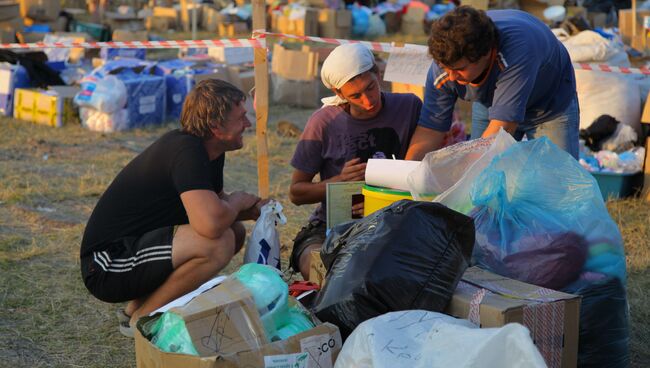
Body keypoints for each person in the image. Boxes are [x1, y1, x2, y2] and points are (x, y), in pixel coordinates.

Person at [80, 79, 266, 337]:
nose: (248, 124)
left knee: (233, 231)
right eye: (241, 118)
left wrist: (254, 209)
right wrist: (237, 202)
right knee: (218, 242)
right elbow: (210, 223)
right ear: (215, 125)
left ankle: (134, 311)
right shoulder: (186, 151)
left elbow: (216, 207)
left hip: (132, 251)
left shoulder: (207, 150)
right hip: (105, 265)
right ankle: (145, 321)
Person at [288, 44, 422, 280]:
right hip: (333, 227)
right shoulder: (323, 122)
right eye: (355, 96)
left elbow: (426, 167)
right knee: (322, 267)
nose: (368, 100)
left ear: (377, 73)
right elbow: (296, 193)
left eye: (370, 88)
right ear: (339, 93)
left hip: (395, 221)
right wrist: (338, 181)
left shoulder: (409, 107)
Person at [405, 6, 579, 161]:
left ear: (486, 54)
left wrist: (461, 172)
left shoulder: (516, 53)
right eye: (445, 68)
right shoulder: (446, 61)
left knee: (557, 181)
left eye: (459, 69)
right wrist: (404, 176)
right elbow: (430, 129)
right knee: (484, 184)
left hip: (549, 104)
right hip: (492, 102)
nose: (450, 76)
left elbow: (503, 127)